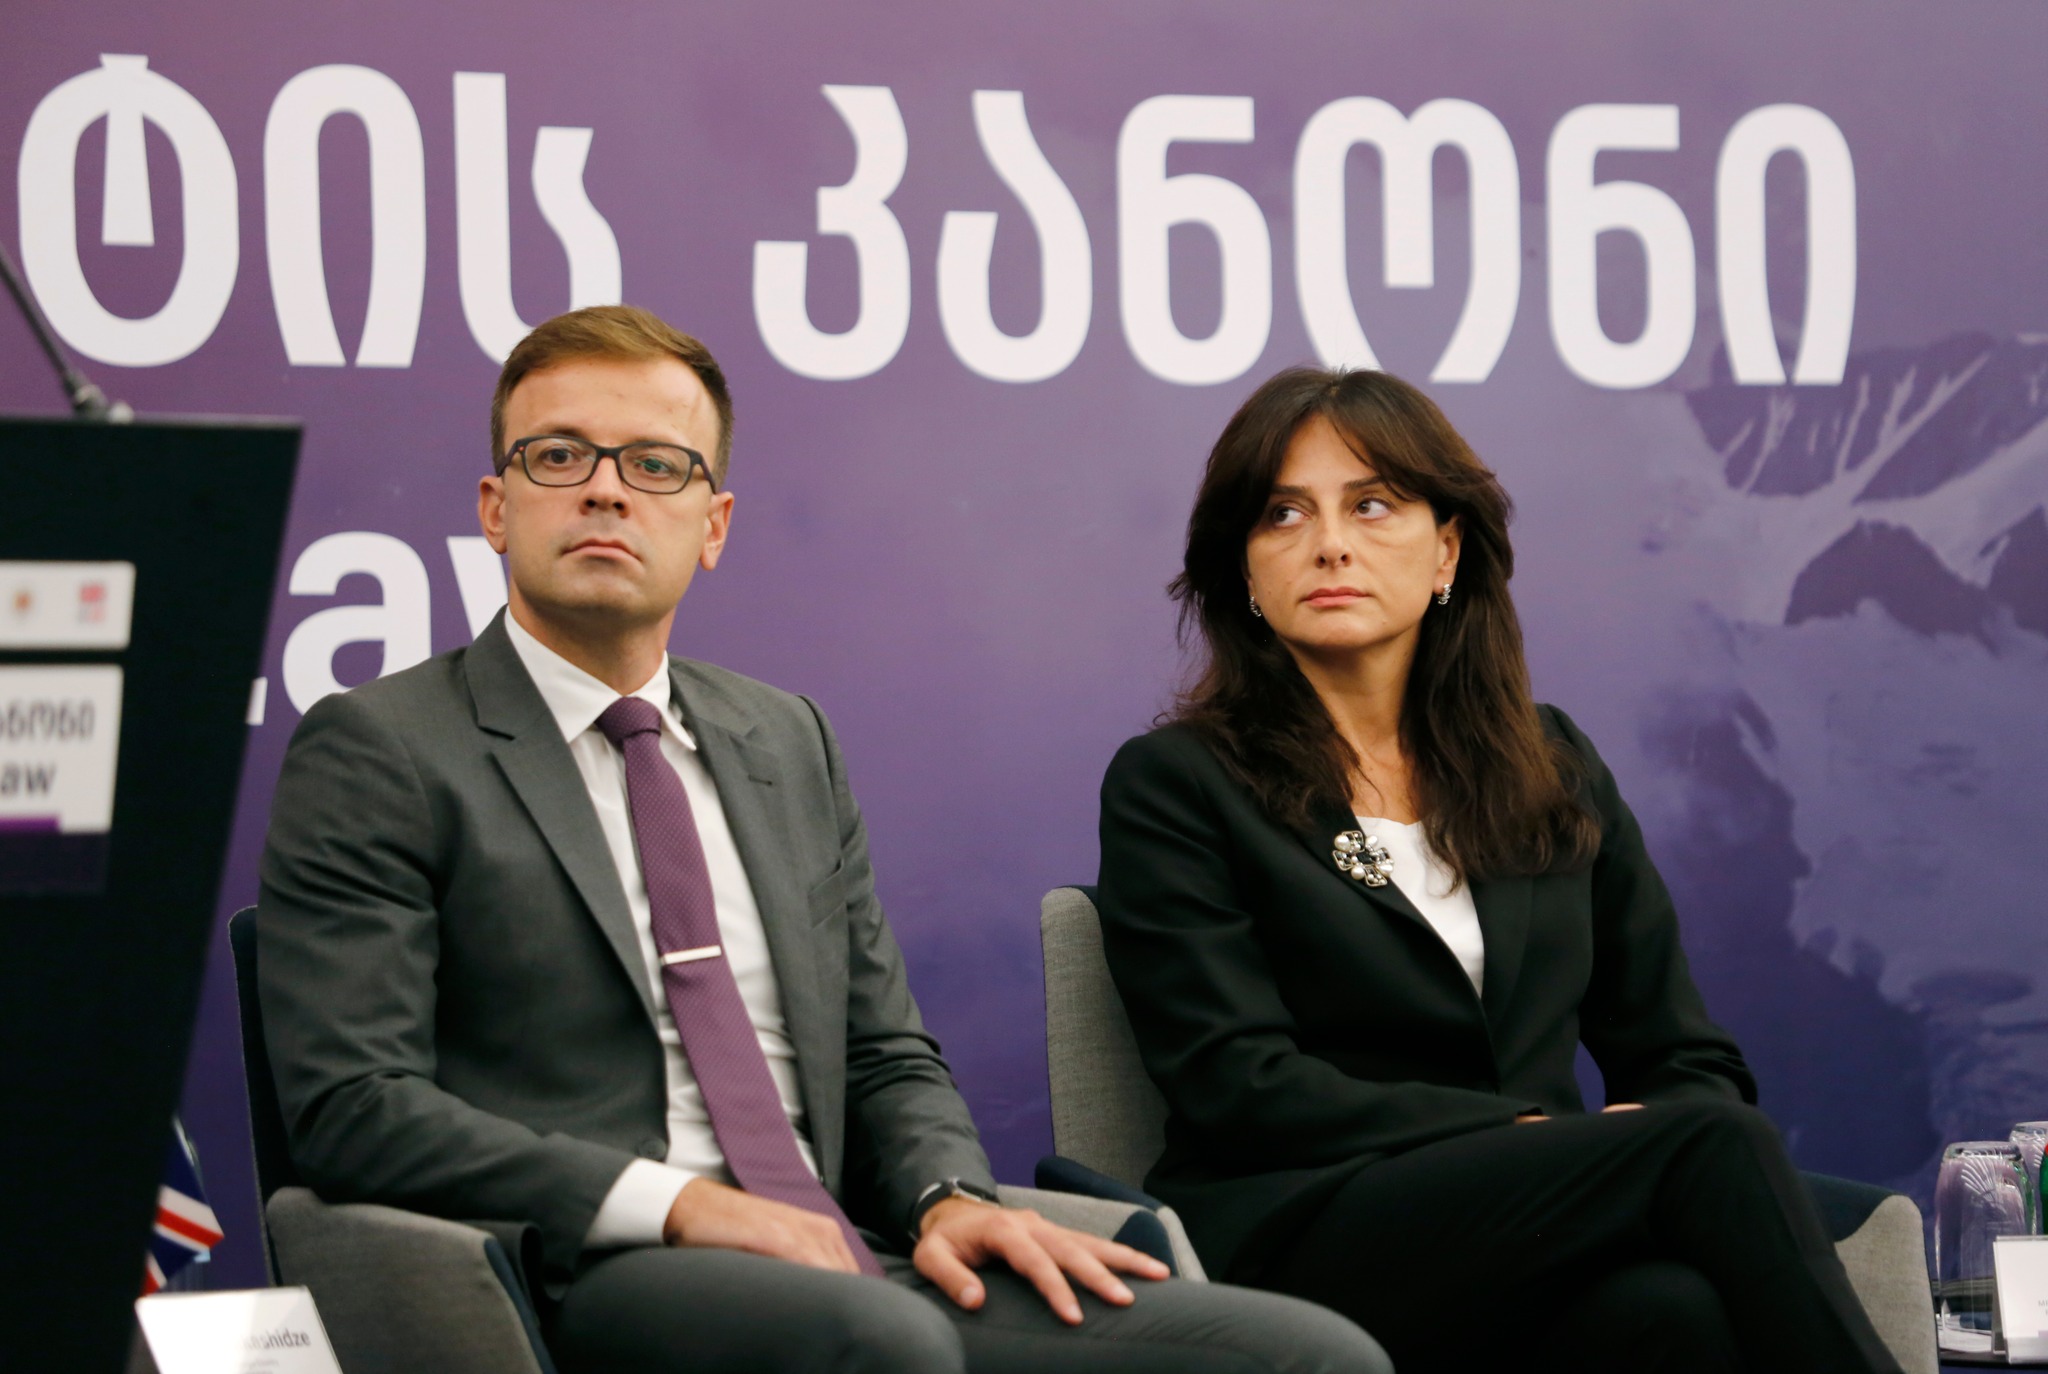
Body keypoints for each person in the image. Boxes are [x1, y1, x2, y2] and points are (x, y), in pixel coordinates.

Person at [257, 307, 1385, 1374]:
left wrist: (947, 1195)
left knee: (1307, 1356)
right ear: (496, 508)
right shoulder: (385, 748)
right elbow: (354, 1108)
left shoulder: (782, 740)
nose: (605, 489)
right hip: (586, 1268)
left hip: (848, 1255)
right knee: (878, 1345)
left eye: (655, 465)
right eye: (559, 457)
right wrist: (679, 1204)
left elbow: (883, 1052)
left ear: (713, 526)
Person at [1094, 366, 1904, 1374]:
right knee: (1712, 1147)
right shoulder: (1177, 782)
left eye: (1371, 504)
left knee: (1673, 1311)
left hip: (1525, 1227)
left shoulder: (1549, 764)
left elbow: (1682, 1053)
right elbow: (1241, 1087)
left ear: (1446, 550)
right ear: (1245, 571)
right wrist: (1522, 1129)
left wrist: (1627, 1126)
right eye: (1282, 514)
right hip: (1301, 1225)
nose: (1328, 543)